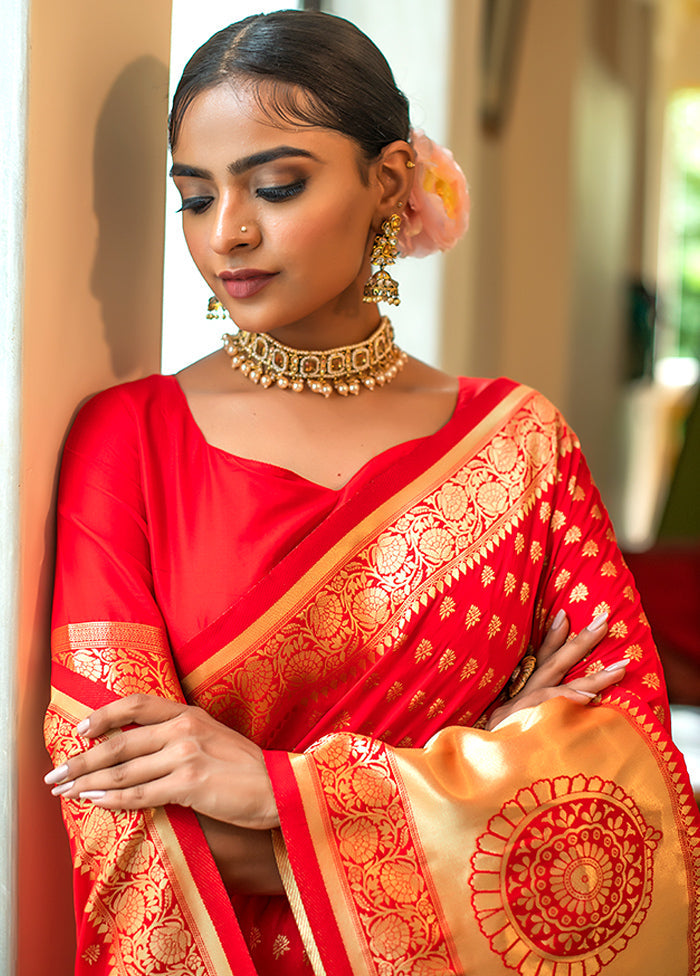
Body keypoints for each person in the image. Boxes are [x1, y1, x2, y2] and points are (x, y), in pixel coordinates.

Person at [43, 10, 700, 976]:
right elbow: (121, 819)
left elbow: (625, 789)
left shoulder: (518, 444)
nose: (228, 233)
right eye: (193, 198)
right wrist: (483, 763)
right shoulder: (126, 442)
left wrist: (271, 789)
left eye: (276, 185)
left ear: (388, 182)